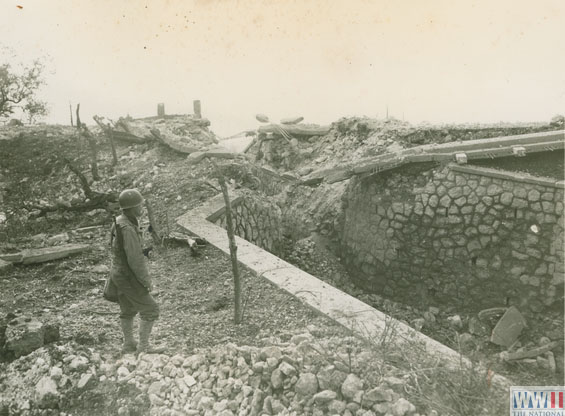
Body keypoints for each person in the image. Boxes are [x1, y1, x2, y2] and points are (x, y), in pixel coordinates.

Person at [110, 189, 163, 354]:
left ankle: (128, 344)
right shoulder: (128, 228)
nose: (142, 207)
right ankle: (144, 347)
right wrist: (147, 282)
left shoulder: (120, 221)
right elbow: (135, 261)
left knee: (128, 308)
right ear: (132, 208)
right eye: (140, 205)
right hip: (128, 275)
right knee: (151, 309)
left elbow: (120, 249)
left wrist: (143, 250)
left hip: (118, 272)